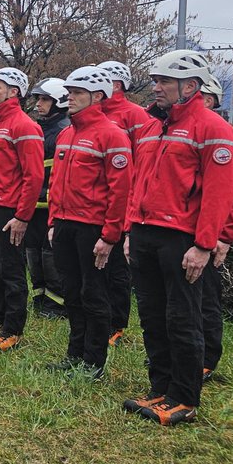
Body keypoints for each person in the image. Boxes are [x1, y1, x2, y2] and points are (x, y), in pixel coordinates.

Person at [124, 50, 233, 426]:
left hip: (181, 239)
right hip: (145, 234)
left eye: (164, 82)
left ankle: (184, 399)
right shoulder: (152, 127)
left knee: (182, 319)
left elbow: (221, 194)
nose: (156, 87)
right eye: (156, 80)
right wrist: (130, 230)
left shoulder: (213, 130)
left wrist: (205, 244)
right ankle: (160, 387)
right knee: (152, 316)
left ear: (190, 86)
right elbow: (137, 184)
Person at [46, 66, 133, 378]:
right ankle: (74, 355)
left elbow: (120, 190)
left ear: (97, 97)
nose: (70, 98)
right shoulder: (67, 133)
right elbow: (56, 182)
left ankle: (93, 363)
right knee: (72, 292)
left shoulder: (113, 135)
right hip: (66, 226)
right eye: (69, 92)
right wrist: (54, 221)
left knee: (93, 295)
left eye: (77, 93)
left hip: (93, 229)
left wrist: (110, 236)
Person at [0, 68, 44, 351]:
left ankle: (13, 330)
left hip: (10, 212)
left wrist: (22, 216)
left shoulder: (25, 126)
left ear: (14, 92)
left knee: (11, 269)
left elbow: (34, 176)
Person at [197, 73, 233, 381]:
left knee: (207, 300)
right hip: (191, 232)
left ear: (210, 100)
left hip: (213, 235)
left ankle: (207, 361)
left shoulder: (227, 138)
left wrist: (224, 236)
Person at [96, 60, 154, 346]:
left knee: (117, 267)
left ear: (116, 84)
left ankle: (116, 324)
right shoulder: (93, 114)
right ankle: (97, 315)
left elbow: (143, 163)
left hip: (122, 201)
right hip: (95, 203)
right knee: (97, 265)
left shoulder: (135, 115)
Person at [26, 78, 71, 318]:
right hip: (34, 205)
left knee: (51, 255)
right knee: (33, 252)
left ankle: (57, 304)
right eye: (38, 99)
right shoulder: (39, 129)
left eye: (44, 99)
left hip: (53, 207)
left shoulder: (64, 130)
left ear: (59, 101)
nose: (38, 104)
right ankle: (40, 298)